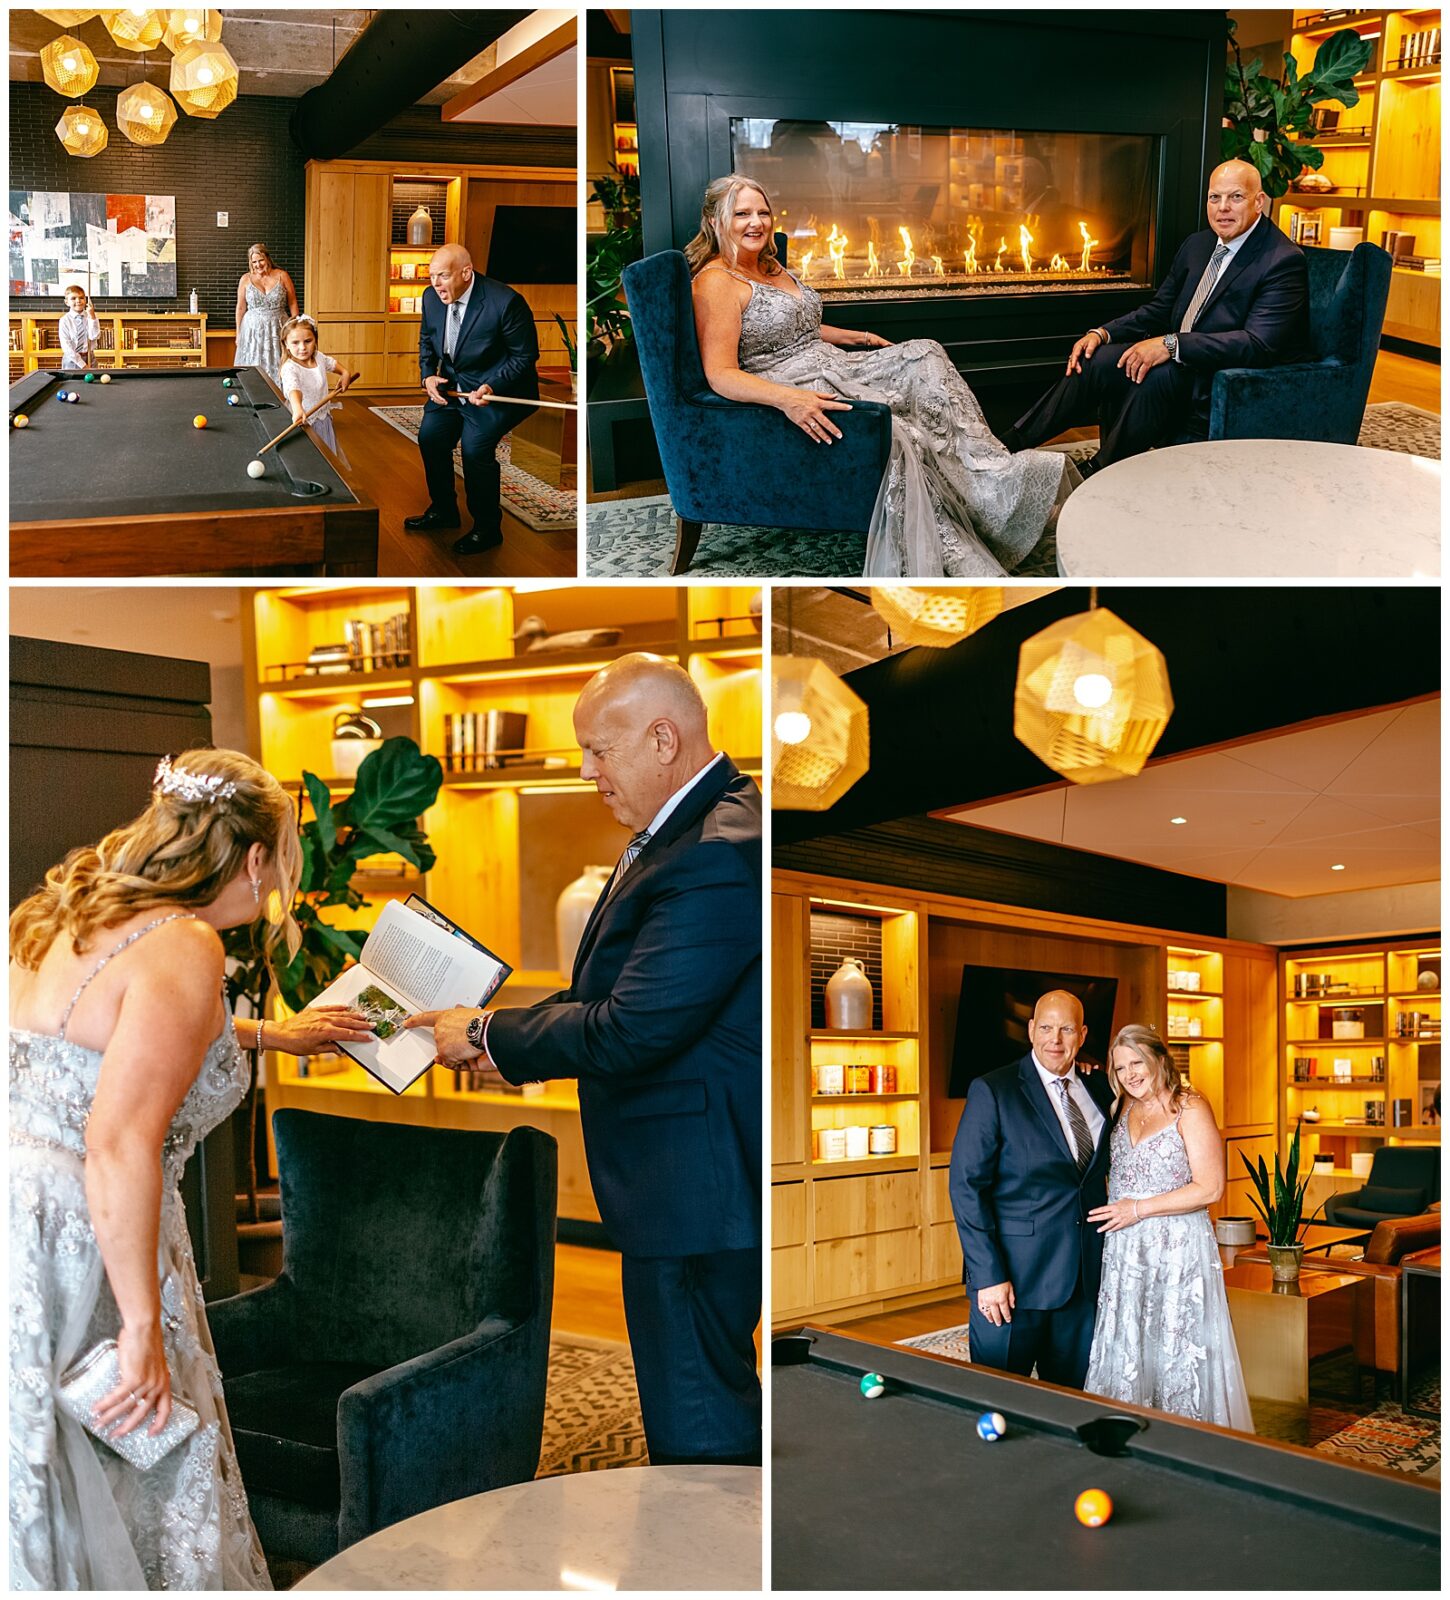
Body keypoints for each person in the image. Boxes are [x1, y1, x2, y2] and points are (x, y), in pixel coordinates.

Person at [9, 748, 375, 1589]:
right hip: (97, 1232)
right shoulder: (187, 944)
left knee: (42, 1454)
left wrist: (270, 1034)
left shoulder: (59, 913)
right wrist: (140, 1325)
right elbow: (120, 1140)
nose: (273, 891)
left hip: (21, 1217)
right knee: (128, 1434)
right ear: (251, 857)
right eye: (277, 869)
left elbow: (100, 1038)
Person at [404, 655, 762, 1467]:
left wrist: (492, 1035)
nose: (586, 769)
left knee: (697, 1412)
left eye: (599, 749)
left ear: (663, 738)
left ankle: (714, 1559)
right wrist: (504, 1041)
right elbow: (611, 995)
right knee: (700, 1383)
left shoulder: (712, 847)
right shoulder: (694, 827)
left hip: (692, 1190)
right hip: (689, 1180)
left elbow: (632, 1027)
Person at [687, 173, 1077, 578]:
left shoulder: (767, 266)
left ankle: (998, 485)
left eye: (763, 212)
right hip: (795, 385)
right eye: (742, 213)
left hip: (831, 360)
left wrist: (859, 336)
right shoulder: (715, 283)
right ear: (716, 221)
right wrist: (789, 400)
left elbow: (791, 324)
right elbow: (720, 374)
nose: (757, 223)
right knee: (903, 432)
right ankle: (959, 541)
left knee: (924, 353)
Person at [1001, 159, 1310, 473]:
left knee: (1155, 372)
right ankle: (1005, 448)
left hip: (1225, 374)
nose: (1222, 208)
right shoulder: (1198, 245)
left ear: (1258, 201)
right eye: (1214, 197)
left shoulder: (1282, 261)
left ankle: (1096, 472)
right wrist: (1103, 333)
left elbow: (1258, 344)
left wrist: (1172, 346)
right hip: (1183, 356)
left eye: (1236, 197)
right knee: (1095, 359)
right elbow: (1159, 309)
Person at [1083, 1024, 1254, 1430]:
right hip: (1126, 1247)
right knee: (1131, 1339)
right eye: (1120, 1067)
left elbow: (1210, 1187)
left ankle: (1182, 1434)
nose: (1130, 1074)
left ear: (1160, 1058)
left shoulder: (1190, 1107)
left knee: (1176, 1343)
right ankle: (1128, 1426)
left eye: (1136, 1062)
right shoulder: (1121, 1105)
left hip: (1177, 1246)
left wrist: (1138, 1209)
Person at [949, 990, 1116, 1389]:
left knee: (1073, 1399)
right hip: (1012, 1284)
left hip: (1083, 1280)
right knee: (999, 1396)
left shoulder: (1101, 1092)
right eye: (1045, 1027)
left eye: (1066, 1028)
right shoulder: (994, 1090)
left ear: (1083, 1034)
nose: (1054, 1039)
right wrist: (988, 1276)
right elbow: (966, 1186)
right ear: (1029, 1030)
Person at [405, 243, 539, 558]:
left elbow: (525, 357)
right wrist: (428, 375)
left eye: (443, 276)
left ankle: (487, 528)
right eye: (432, 277)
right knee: (430, 437)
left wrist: (492, 385)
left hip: (498, 389)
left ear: (466, 273)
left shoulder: (505, 302)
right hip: (452, 386)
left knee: (475, 448)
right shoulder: (430, 298)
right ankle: (443, 511)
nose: (436, 284)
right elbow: (427, 338)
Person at [278, 315, 355, 458]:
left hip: (323, 417)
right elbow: (293, 389)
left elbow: (333, 364)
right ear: (286, 344)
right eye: (295, 342)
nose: (302, 347)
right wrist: (297, 407)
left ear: (315, 341)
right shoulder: (289, 368)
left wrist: (345, 373)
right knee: (309, 458)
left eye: (308, 341)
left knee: (327, 456)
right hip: (303, 420)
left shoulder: (319, 357)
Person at [235, 243, 299, 388]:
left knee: (278, 362)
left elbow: (293, 303)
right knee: (253, 362)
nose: (258, 265)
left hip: (278, 327)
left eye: (260, 260)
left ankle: (283, 397)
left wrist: (295, 329)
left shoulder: (282, 276)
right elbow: (240, 308)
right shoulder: (245, 279)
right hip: (252, 331)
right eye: (254, 262)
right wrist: (238, 333)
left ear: (267, 258)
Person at [58, 284, 101, 371]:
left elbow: (95, 336)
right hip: (72, 360)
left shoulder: (91, 316)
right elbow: (67, 347)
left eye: (81, 298)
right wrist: (83, 366)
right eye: (73, 298)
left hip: (90, 357)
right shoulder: (64, 320)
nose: (78, 301)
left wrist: (92, 316)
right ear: (66, 302)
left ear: (85, 300)